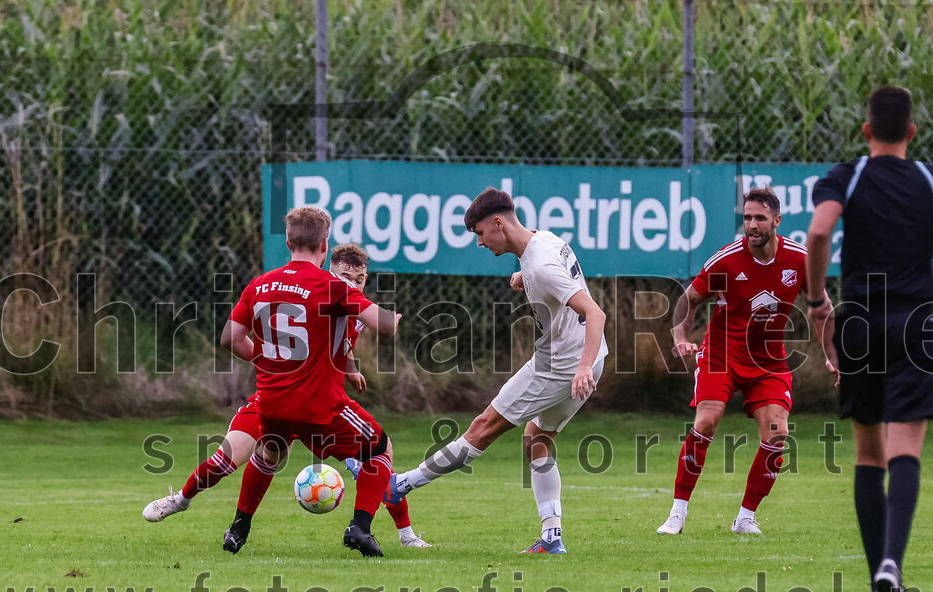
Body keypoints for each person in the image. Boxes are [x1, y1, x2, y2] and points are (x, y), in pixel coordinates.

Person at [806, 86, 933, 592]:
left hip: (858, 323)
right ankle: (891, 568)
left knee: (867, 455)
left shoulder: (847, 176)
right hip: (915, 324)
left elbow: (817, 233)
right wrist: (918, 273)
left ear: (865, 131)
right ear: (911, 132)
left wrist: (817, 303)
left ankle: (877, 578)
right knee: (906, 451)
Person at [141, 244, 431, 548]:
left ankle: (406, 534)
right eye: (345, 276)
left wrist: (351, 369)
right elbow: (367, 327)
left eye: (359, 279)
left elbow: (339, 344)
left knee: (354, 459)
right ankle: (183, 500)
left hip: (300, 401)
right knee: (228, 459)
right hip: (292, 400)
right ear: (329, 268)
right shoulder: (325, 292)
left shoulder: (349, 305)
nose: (351, 284)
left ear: (366, 279)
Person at [385, 187, 608, 554]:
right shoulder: (543, 242)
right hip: (590, 356)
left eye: (479, 233)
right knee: (537, 438)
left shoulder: (540, 264)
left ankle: (401, 485)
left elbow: (594, 312)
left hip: (562, 363)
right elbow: (552, 276)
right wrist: (526, 279)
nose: (479, 243)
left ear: (498, 223)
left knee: (482, 428)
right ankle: (552, 539)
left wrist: (581, 367)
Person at [220, 207, 401, 557]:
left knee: (269, 453)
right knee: (380, 450)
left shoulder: (263, 283)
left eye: (358, 277)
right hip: (320, 405)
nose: (352, 281)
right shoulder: (334, 289)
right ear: (325, 246)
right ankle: (360, 528)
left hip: (276, 400)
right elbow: (384, 325)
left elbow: (231, 338)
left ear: (288, 241)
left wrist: (267, 359)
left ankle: (239, 527)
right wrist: (394, 320)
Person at [657, 187, 808, 536]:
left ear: (776, 221)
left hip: (769, 363)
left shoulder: (800, 259)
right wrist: (681, 337)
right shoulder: (726, 260)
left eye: (759, 218)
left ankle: (745, 518)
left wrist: (834, 355)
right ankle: (677, 513)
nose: (752, 225)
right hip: (722, 355)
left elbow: (822, 306)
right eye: (747, 218)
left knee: (777, 433)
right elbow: (689, 299)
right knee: (707, 421)